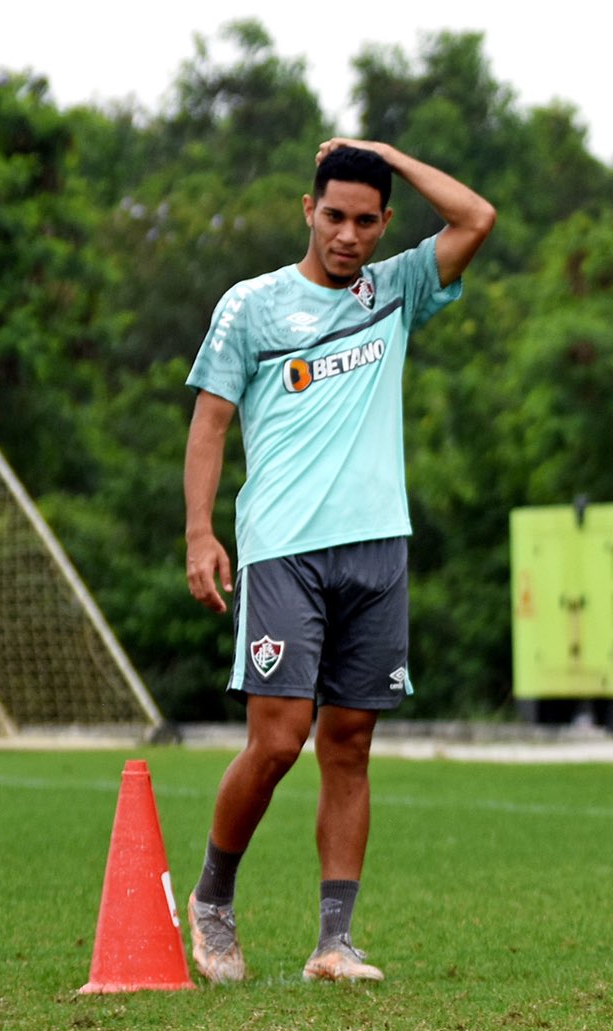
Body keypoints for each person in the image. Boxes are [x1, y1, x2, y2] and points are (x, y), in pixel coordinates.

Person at [181, 140, 495, 983]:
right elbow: (210, 423)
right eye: (334, 215)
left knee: (349, 744)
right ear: (308, 211)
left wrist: (387, 150)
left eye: (366, 219)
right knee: (279, 742)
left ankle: (334, 942)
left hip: (379, 548)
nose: (349, 234)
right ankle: (212, 902)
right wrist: (200, 533)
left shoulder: (393, 290)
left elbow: (477, 217)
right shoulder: (251, 305)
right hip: (284, 550)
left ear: (385, 221)